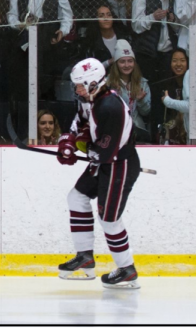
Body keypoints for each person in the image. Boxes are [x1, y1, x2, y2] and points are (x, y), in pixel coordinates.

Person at [56, 58, 140, 289]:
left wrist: (80, 150)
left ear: (93, 83)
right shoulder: (88, 98)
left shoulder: (110, 107)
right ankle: (85, 257)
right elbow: (79, 121)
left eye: (80, 85)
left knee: (109, 220)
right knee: (76, 197)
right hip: (106, 162)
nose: (77, 89)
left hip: (118, 165)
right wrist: (68, 142)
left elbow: (104, 151)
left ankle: (127, 269)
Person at [131, 0, 179, 85]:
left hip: (168, 54)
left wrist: (172, 20)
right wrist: (152, 17)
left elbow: (177, 29)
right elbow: (135, 25)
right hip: (148, 54)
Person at [106, 40, 152, 143]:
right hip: (114, 131)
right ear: (116, 64)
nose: (127, 65)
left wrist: (141, 101)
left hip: (137, 132)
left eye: (130, 61)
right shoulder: (107, 83)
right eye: (122, 61)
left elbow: (146, 112)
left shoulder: (142, 83)